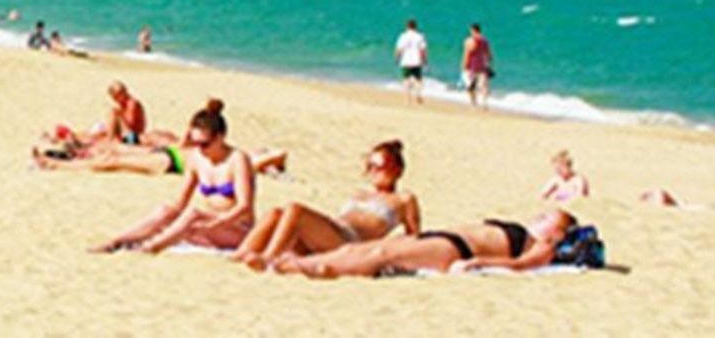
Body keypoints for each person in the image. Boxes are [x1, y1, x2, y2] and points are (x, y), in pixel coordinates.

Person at [92, 99, 256, 253]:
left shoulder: (237, 159)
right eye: (195, 143)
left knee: (194, 214)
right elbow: (181, 202)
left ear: (220, 137)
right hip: (210, 224)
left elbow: (244, 207)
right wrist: (169, 214)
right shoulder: (196, 157)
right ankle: (116, 241)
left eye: (205, 144)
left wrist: (215, 223)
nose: (200, 148)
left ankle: (150, 248)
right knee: (166, 210)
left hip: (236, 228)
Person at [232, 140, 421, 270]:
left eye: (378, 166)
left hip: (349, 243)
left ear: (397, 169)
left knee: (295, 209)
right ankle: (242, 253)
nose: (373, 171)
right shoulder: (361, 193)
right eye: (369, 166)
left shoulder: (404, 199)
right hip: (332, 232)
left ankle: (269, 258)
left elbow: (414, 238)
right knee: (276, 213)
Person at [276, 209, 574, 278]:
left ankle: (300, 266)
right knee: (363, 249)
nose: (541, 214)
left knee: (381, 253)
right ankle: (309, 263)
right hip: (440, 236)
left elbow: (521, 265)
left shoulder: (544, 244)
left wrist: (479, 262)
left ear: (559, 232)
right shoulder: (528, 231)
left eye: (549, 216)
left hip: (457, 249)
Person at [394, 19, 428, 104]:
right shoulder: (420, 36)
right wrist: (424, 59)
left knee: (406, 80)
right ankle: (418, 94)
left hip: (406, 60)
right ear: (415, 26)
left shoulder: (403, 36)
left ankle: (407, 99)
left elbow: (399, 49)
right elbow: (422, 50)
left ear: (407, 26)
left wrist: (397, 58)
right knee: (418, 80)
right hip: (416, 60)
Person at [462, 23, 494, 109]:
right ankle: (484, 103)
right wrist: (489, 64)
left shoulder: (469, 41)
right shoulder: (485, 41)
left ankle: (474, 103)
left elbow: (466, 54)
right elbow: (490, 55)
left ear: (472, 30)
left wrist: (463, 66)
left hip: (472, 66)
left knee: (471, 86)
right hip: (483, 65)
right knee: (483, 86)